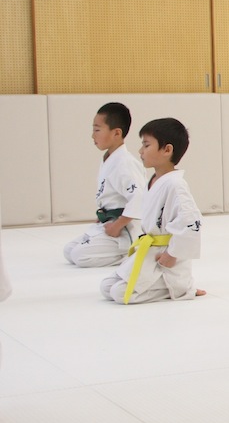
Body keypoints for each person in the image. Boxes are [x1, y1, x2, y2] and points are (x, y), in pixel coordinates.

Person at [99, 118, 205, 304]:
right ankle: (165, 284)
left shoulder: (176, 185)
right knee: (107, 287)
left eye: (146, 145)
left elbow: (191, 223)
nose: (140, 151)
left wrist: (172, 255)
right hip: (150, 250)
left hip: (165, 258)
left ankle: (179, 287)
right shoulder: (155, 180)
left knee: (120, 293)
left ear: (167, 150)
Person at [64, 102, 147, 267]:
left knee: (80, 256)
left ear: (116, 133)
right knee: (69, 251)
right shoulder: (110, 159)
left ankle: (133, 253)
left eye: (97, 130)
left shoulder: (125, 163)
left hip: (125, 228)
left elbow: (139, 198)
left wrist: (118, 225)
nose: (92, 136)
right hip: (109, 222)